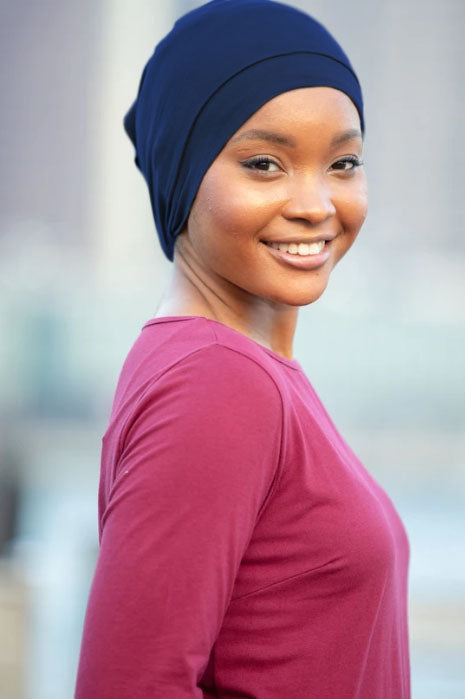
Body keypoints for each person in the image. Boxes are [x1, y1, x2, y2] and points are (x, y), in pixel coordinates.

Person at [75, 1, 411, 697]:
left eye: (342, 162)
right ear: (182, 174)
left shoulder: (235, 370)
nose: (316, 202)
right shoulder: (217, 382)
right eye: (264, 163)